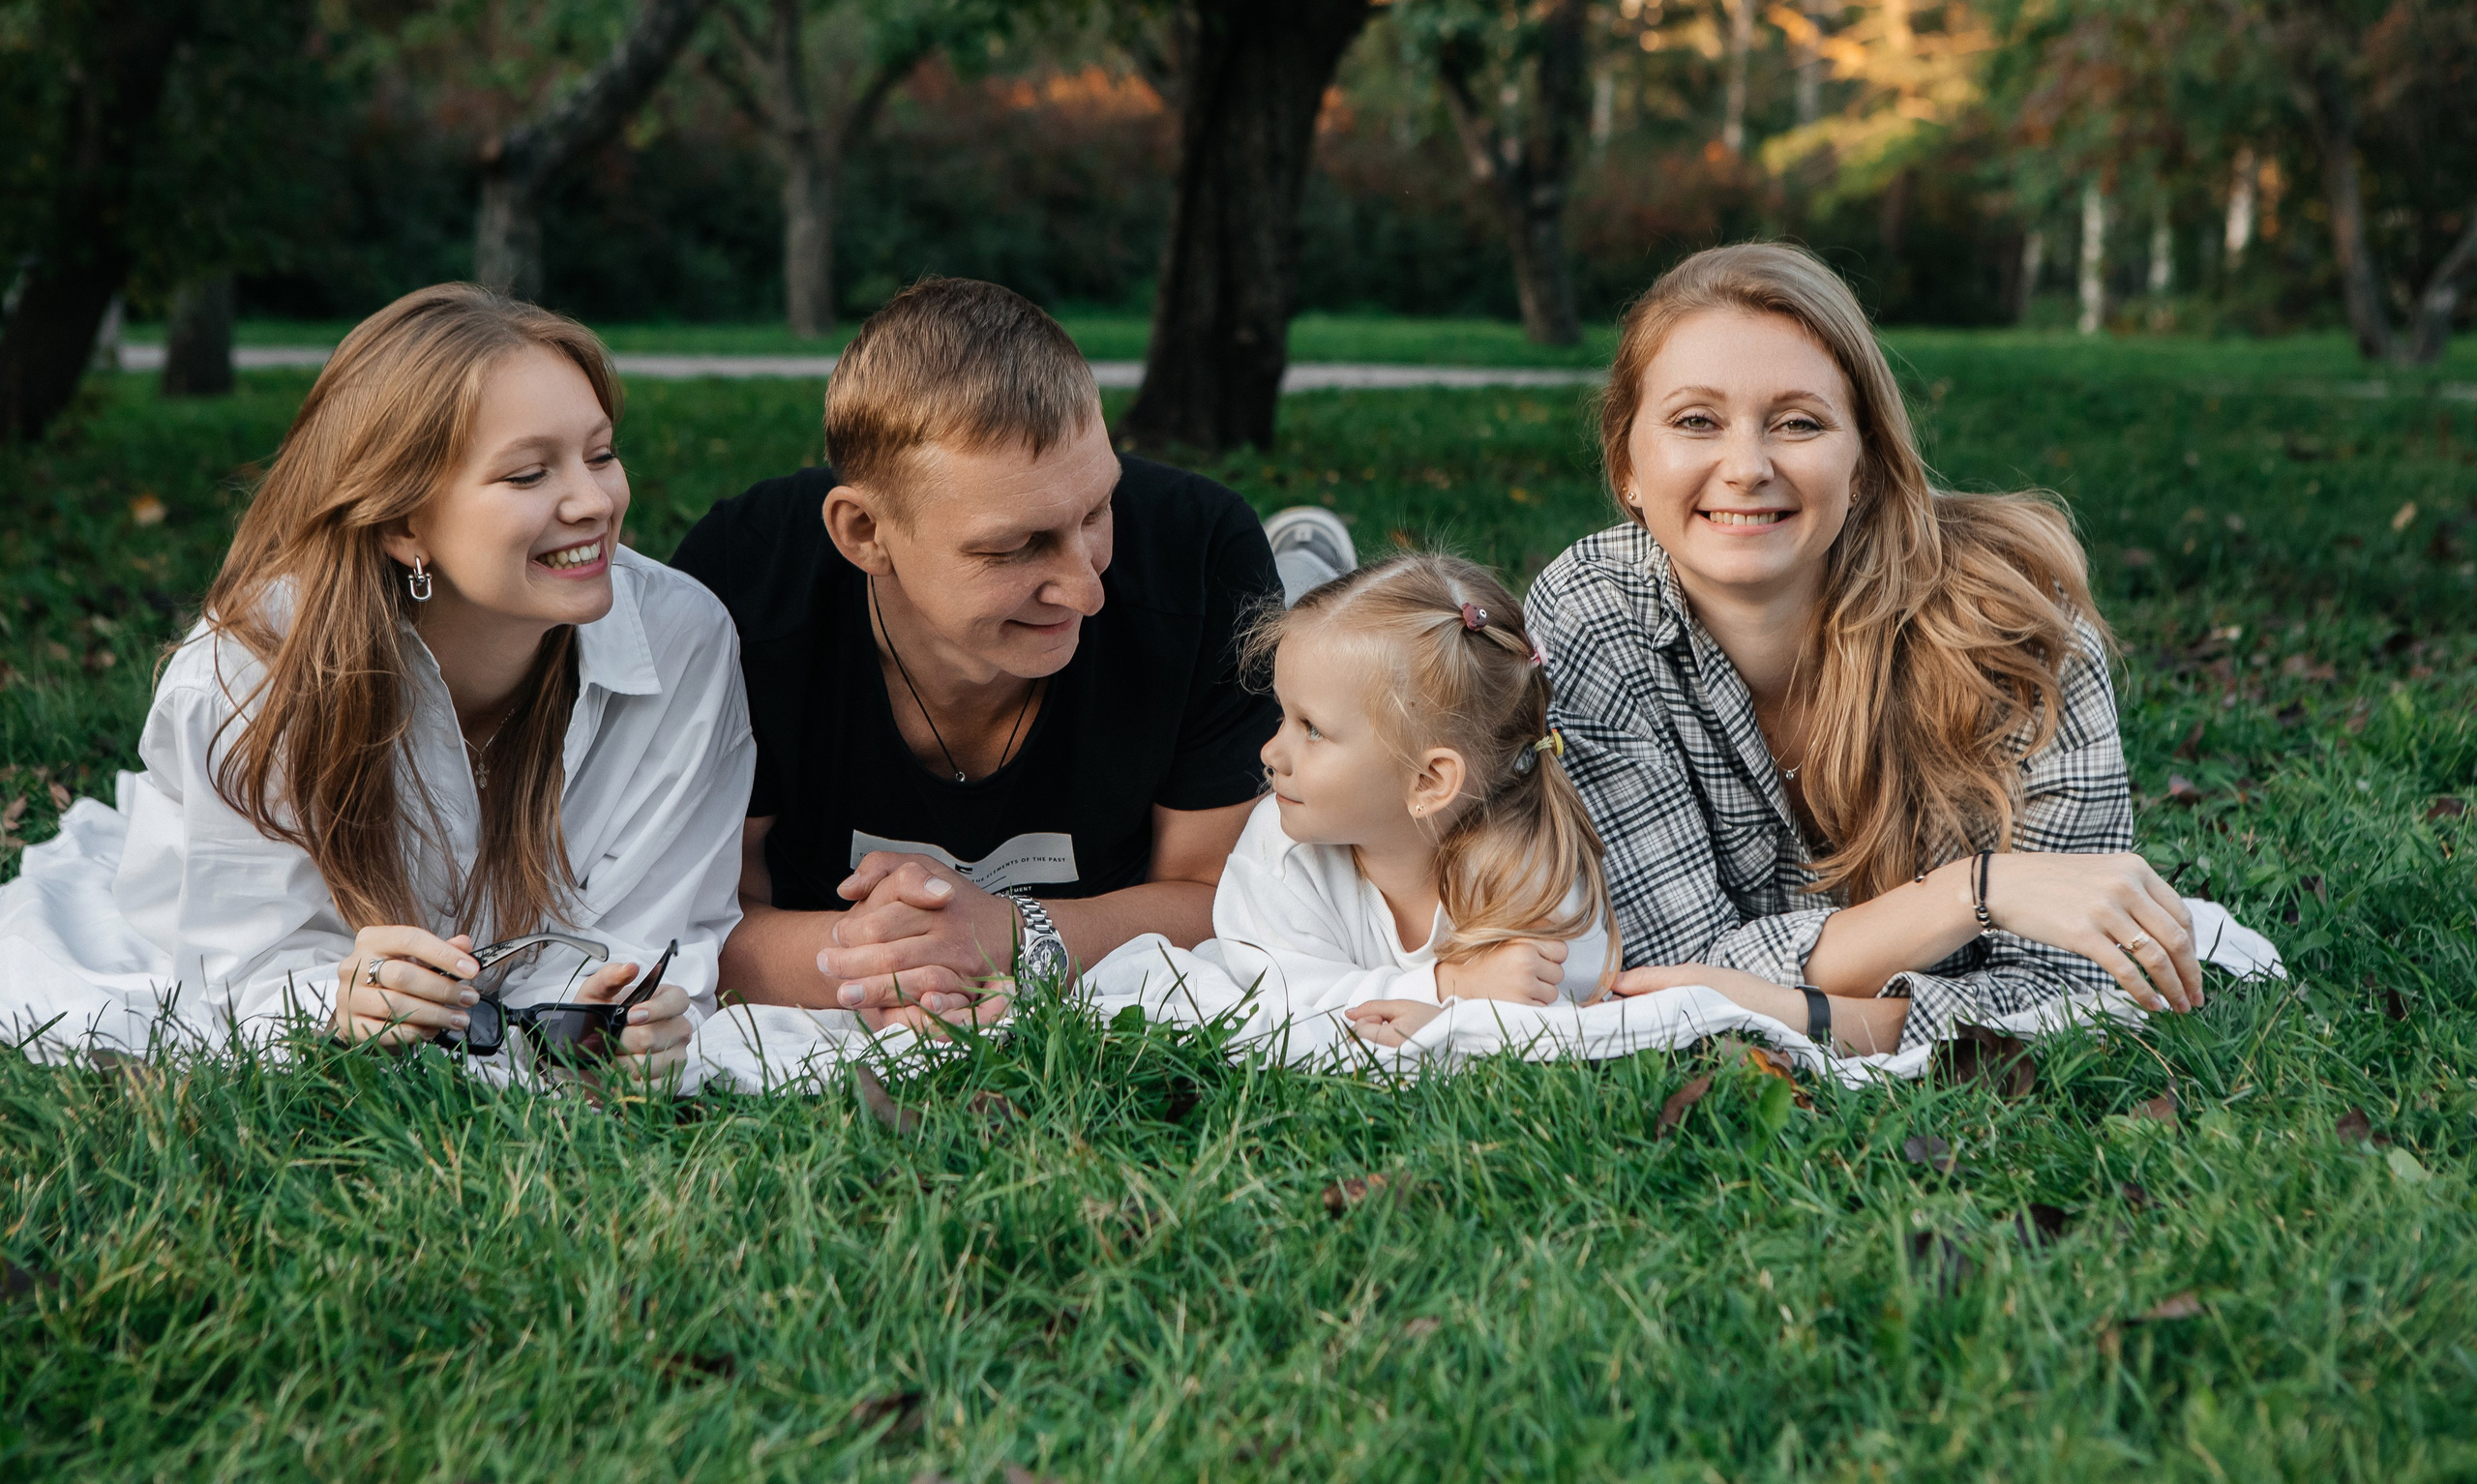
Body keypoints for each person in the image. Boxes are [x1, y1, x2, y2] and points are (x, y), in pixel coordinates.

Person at [0, 284, 751, 1071]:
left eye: (601, 454)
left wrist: (620, 1013)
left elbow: (654, 930)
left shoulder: (683, 640)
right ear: (402, 522)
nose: (595, 501)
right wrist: (337, 999)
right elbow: (244, 968)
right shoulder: (249, 675)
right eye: (529, 474)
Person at [1525, 242, 2205, 1055]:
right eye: (1695, 421)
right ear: (1628, 466)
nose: (1745, 467)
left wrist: (1786, 1006)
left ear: (1865, 465)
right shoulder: (1592, 614)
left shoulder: (2013, 625)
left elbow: (2080, 986)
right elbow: (1666, 971)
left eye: (1799, 422)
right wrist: (1974, 894)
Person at [671, 278, 1352, 1029]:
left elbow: (1225, 900)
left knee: (1314, 651)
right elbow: (697, 916)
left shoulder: (1197, 552)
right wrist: (890, 962)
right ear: (864, 534)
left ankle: (1306, 572)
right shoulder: (740, 590)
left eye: (1097, 511)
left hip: (1232, 606)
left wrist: (1011, 937)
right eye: (1015, 547)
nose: (1085, 591)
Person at [1078, 552, 1616, 1056]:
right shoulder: (1279, 847)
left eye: (1311, 729)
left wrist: (1460, 1011)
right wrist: (1447, 988)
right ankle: (1300, 560)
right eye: (1282, 716)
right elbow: (1286, 998)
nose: (1270, 752)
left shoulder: (1529, 869)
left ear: (1428, 780)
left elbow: (1564, 1009)